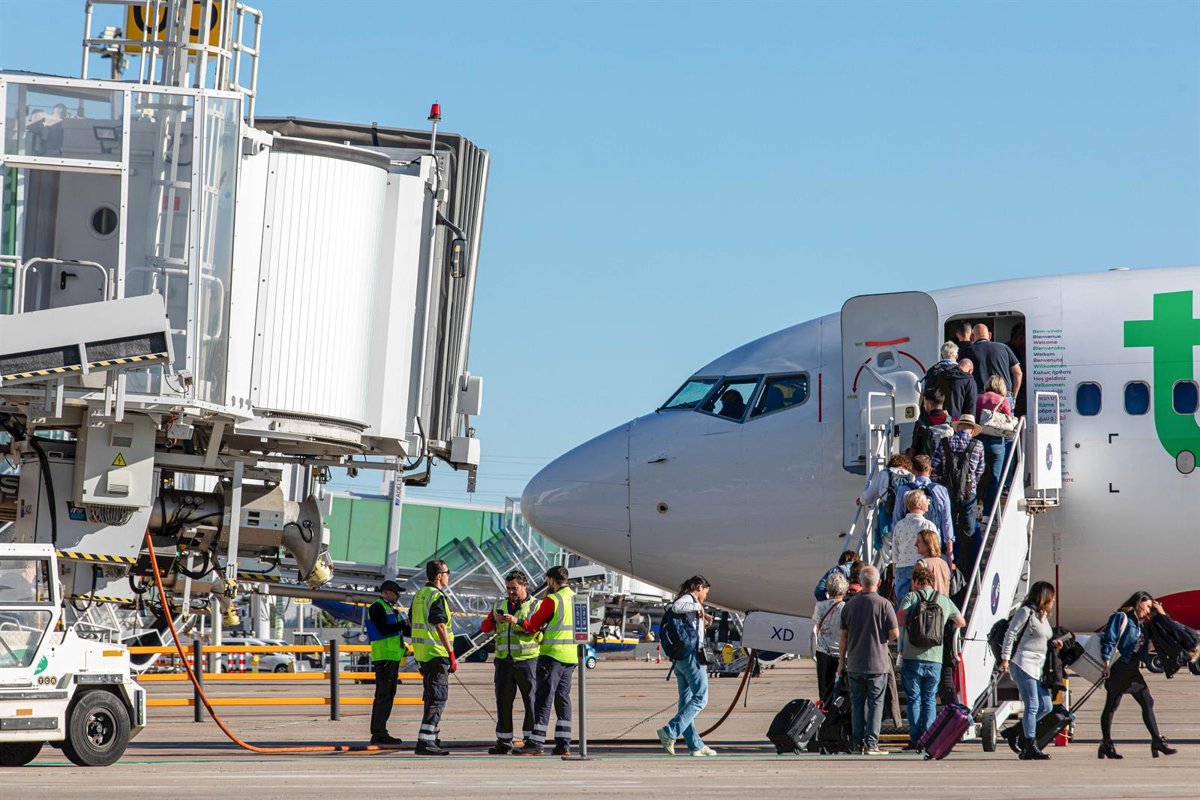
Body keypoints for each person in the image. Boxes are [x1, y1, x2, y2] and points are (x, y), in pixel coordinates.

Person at [1098, 592, 1176, 759]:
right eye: (1146, 606)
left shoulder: (1142, 623)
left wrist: (1161, 613)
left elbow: (1165, 631)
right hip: (1119, 667)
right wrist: (1106, 664)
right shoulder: (1121, 617)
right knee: (1113, 705)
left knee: (1143, 702)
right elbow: (1109, 640)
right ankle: (1107, 744)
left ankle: (1155, 741)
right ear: (1138, 602)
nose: (1148, 610)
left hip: (1132, 669)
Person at [895, 561, 965, 750]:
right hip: (935, 657)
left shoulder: (912, 596)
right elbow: (961, 621)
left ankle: (915, 739)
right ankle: (928, 738)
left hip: (912, 656)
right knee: (930, 699)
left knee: (914, 698)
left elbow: (900, 618)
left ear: (916, 581)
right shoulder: (943, 600)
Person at [517, 566, 578, 756]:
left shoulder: (552, 599)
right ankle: (563, 744)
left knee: (544, 698)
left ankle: (536, 742)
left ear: (551, 580)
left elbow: (533, 625)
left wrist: (519, 622)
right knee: (563, 698)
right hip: (571, 656)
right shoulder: (576, 598)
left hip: (552, 655)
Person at [838, 565, 899, 755]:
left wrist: (841, 662)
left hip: (855, 662)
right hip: (877, 663)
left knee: (857, 704)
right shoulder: (885, 604)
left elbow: (843, 637)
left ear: (860, 582)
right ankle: (871, 743)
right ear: (878, 583)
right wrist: (883, 638)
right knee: (875, 703)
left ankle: (857, 743)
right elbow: (895, 633)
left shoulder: (849, 605)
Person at [999, 581, 1062, 760]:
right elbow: (1011, 633)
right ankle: (1030, 745)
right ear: (1043, 597)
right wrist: (1005, 658)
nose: (1054, 601)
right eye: (1052, 598)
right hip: (1023, 662)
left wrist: (1054, 643)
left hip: (1038, 666)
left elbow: (1041, 638)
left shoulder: (1043, 616)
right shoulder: (1025, 612)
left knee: (1046, 706)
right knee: (1032, 704)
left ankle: (1015, 731)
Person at [480, 570, 540, 754]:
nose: (511, 592)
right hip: (504, 661)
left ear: (524, 585)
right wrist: (493, 619)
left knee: (531, 701)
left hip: (527, 660)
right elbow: (484, 628)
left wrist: (518, 621)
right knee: (503, 701)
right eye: (508, 588)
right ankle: (504, 740)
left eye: (514, 588)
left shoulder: (536, 605)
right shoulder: (499, 605)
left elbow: (538, 630)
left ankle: (530, 740)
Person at [657, 576, 717, 757]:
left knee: (686, 703)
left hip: (681, 659)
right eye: (706, 591)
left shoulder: (690, 603)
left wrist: (704, 621)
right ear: (699, 587)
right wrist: (698, 607)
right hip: (691, 657)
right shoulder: (688, 600)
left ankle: (695, 745)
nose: (706, 596)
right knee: (701, 698)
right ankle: (670, 731)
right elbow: (676, 607)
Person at [411, 560, 456, 755]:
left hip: (423, 655)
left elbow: (411, 622)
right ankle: (426, 741)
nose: (448, 576)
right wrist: (451, 653)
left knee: (431, 697)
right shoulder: (436, 596)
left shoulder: (419, 595)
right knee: (438, 698)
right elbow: (440, 625)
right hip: (437, 654)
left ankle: (432, 737)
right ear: (439, 576)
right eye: (447, 572)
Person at [931, 414, 985, 574]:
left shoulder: (944, 442)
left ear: (958, 427)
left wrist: (939, 485)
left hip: (947, 492)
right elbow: (980, 470)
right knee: (968, 530)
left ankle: (949, 564)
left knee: (948, 527)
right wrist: (972, 483)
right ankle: (968, 569)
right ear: (972, 430)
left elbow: (934, 467)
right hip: (969, 493)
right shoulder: (978, 445)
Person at [366, 579, 409, 745]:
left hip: (392, 657)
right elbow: (383, 629)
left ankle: (381, 731)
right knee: (383, 696)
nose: (398, 596)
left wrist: (408, 624)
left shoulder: (391, 609)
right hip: (384, 658)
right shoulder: (377, 607)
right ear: (386, 593)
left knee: (388, 695)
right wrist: (403, 623)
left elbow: (402, 630)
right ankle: (378, 732)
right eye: (396, 593)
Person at [893, 454, 953, 564]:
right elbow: (946, 522)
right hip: (932, 545)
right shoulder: (941, 490)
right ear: (930, 470)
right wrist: (949, 547)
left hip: (909, 547)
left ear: (912, 470)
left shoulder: (904, 490)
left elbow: (897, 518)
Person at [884, 489, 938, 607]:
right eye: (926, 500)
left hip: (901, 568)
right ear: (919, 504)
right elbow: (935, 550)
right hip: (921, 568)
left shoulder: (899, 525)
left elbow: (895, 553)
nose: (928, 502)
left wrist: (894, 576)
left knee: (903, 606)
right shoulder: (928, 525)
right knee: (921, 605)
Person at [857, 454, 913, 555]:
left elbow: (868, 497)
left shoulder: (884, 474)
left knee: (888, 553)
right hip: (906, 519)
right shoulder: (911, 476)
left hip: (887, 519)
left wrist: (860, 500)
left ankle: (889, 565)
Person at [975, 374, 1013, 521]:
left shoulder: (978, 398)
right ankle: (988, 514)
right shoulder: (1003, 401)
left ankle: (976, 508)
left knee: (976, 476)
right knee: (994, 478)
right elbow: (1009, 421)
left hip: (979, 441)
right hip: (997, 444)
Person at [812, 572, 848, 702]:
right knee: (841, 690)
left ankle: (824, 711)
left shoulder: (820, 606)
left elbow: (816, 623)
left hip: (823, 651)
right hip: (841, 653)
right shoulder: (846, 607)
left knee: (824, 689)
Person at [970, 323, 1022, 405]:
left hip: (980, 398)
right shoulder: (1004, 348)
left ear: (972, 337)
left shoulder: (968, 351)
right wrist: (1014, 397)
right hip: (1004, 396)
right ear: (990, 335)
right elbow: (1018, 373)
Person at [911, 387, 955, 459]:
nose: (923, 406)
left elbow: (915, 449)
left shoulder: (921, 423)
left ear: (930, 405)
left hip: (928, 464)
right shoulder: (953, 422)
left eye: (924, 403)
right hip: (947, 463)